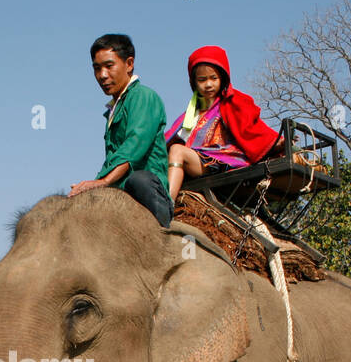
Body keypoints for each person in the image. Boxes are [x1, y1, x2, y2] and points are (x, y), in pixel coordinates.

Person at [68, 34, 173, 227]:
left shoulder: (144, 97)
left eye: (109, 66)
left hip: (146, 187)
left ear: (129, 63)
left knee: (138, 180)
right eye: (97, 68)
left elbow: (134, 147)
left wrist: (102, 181)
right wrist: (90, 186)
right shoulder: (113, 109)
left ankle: (163, 232)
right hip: (119, 187)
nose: (102, 75)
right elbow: (112, 159)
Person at [164, 45, 282, 201]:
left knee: (177, 151)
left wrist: (277, 142)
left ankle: (167, 204)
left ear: (223, 78)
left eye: (213, 78)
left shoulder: (233, 103)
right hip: (196, 160)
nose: (208, 84)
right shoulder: (191, 114)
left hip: (221, 160)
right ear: (194, 82)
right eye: (202, 80)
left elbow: (252, 129)